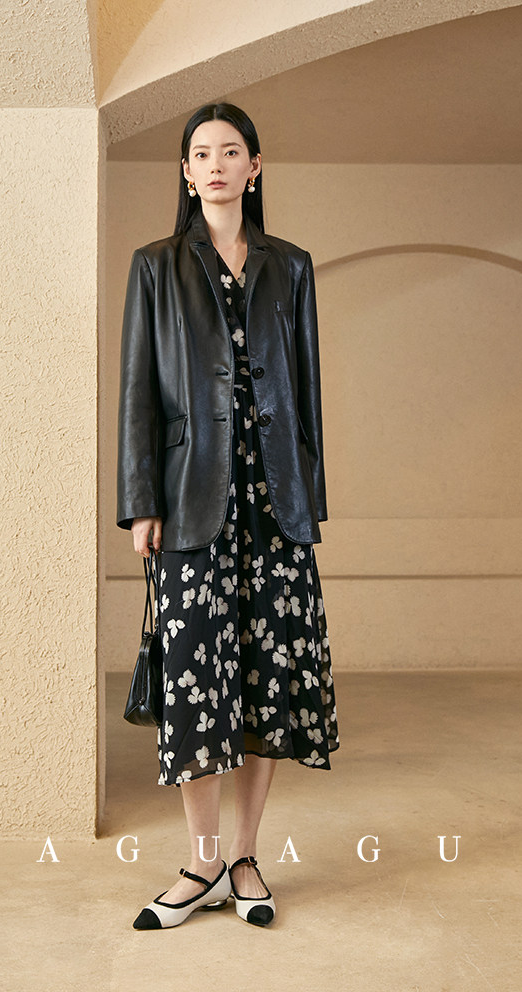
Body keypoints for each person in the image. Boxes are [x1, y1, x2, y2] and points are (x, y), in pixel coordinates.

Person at [117, 102, 339, 930]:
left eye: (231, 151)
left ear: (255, 166)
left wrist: (310, 500)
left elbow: (307, 391)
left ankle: (245, 857)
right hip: (189, 497)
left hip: (275, 500)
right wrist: (140, 502)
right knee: (195, 676)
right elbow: (138, 390)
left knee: (265, 676)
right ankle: (201, 861)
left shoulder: (292, 266)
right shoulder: (155, 265)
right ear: (185, 173)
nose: (215, 164)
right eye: (201, 154)